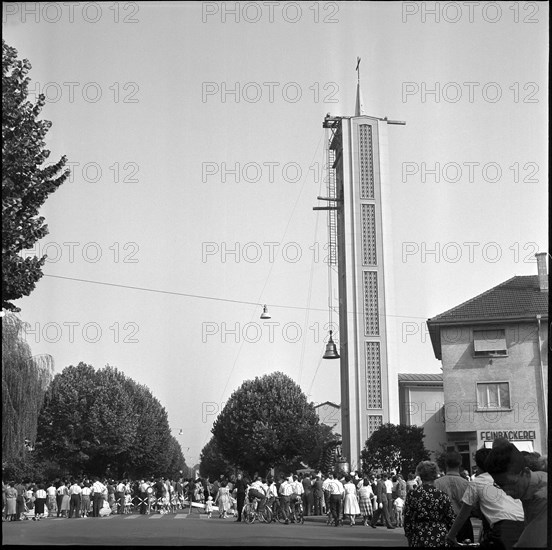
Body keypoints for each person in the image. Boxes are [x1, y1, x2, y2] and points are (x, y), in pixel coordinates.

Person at [446, 447, 524, 550]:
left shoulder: (478, 482)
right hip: (525, 524)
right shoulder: (507, 477)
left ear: (479, 466)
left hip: (502, 529)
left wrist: (451, 535)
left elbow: (463, 514)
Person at [486, 441, 547, 548]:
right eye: (500, 485)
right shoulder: (533, 484)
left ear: (526, 472)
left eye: (511, 484)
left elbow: (529, 544)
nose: (507, 492)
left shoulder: (542, 497)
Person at [403, 461, 455, 547]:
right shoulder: (442, 495)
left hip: (419, 535)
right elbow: (450, 518)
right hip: (440, 535)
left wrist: (409, 535)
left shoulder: (413, 494)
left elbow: (408, 518)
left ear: (420, 474)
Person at [434, 451, 474, 543]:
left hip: (443, 524)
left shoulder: (436, 483)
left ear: (446, 463)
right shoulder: (467, 484)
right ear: (460, 464)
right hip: (463, 523)